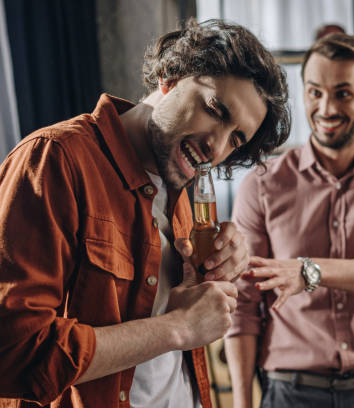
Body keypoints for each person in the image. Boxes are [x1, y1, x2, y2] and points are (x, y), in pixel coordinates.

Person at [0, 18, 290, 408]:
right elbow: (14, 353)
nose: (217, 148)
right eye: (216, 109)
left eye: (235, 139)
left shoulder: (183, 191)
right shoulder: (55, 159)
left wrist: (215, 272)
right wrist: (179, 328)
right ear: (171, 76)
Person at [225, 33, 354, 408]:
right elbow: (242, 305)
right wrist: (242, 403)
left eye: (343, 93)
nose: (326, 108)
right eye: (315, 92)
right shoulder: (262, 183)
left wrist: (309, 271)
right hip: (289, 390)